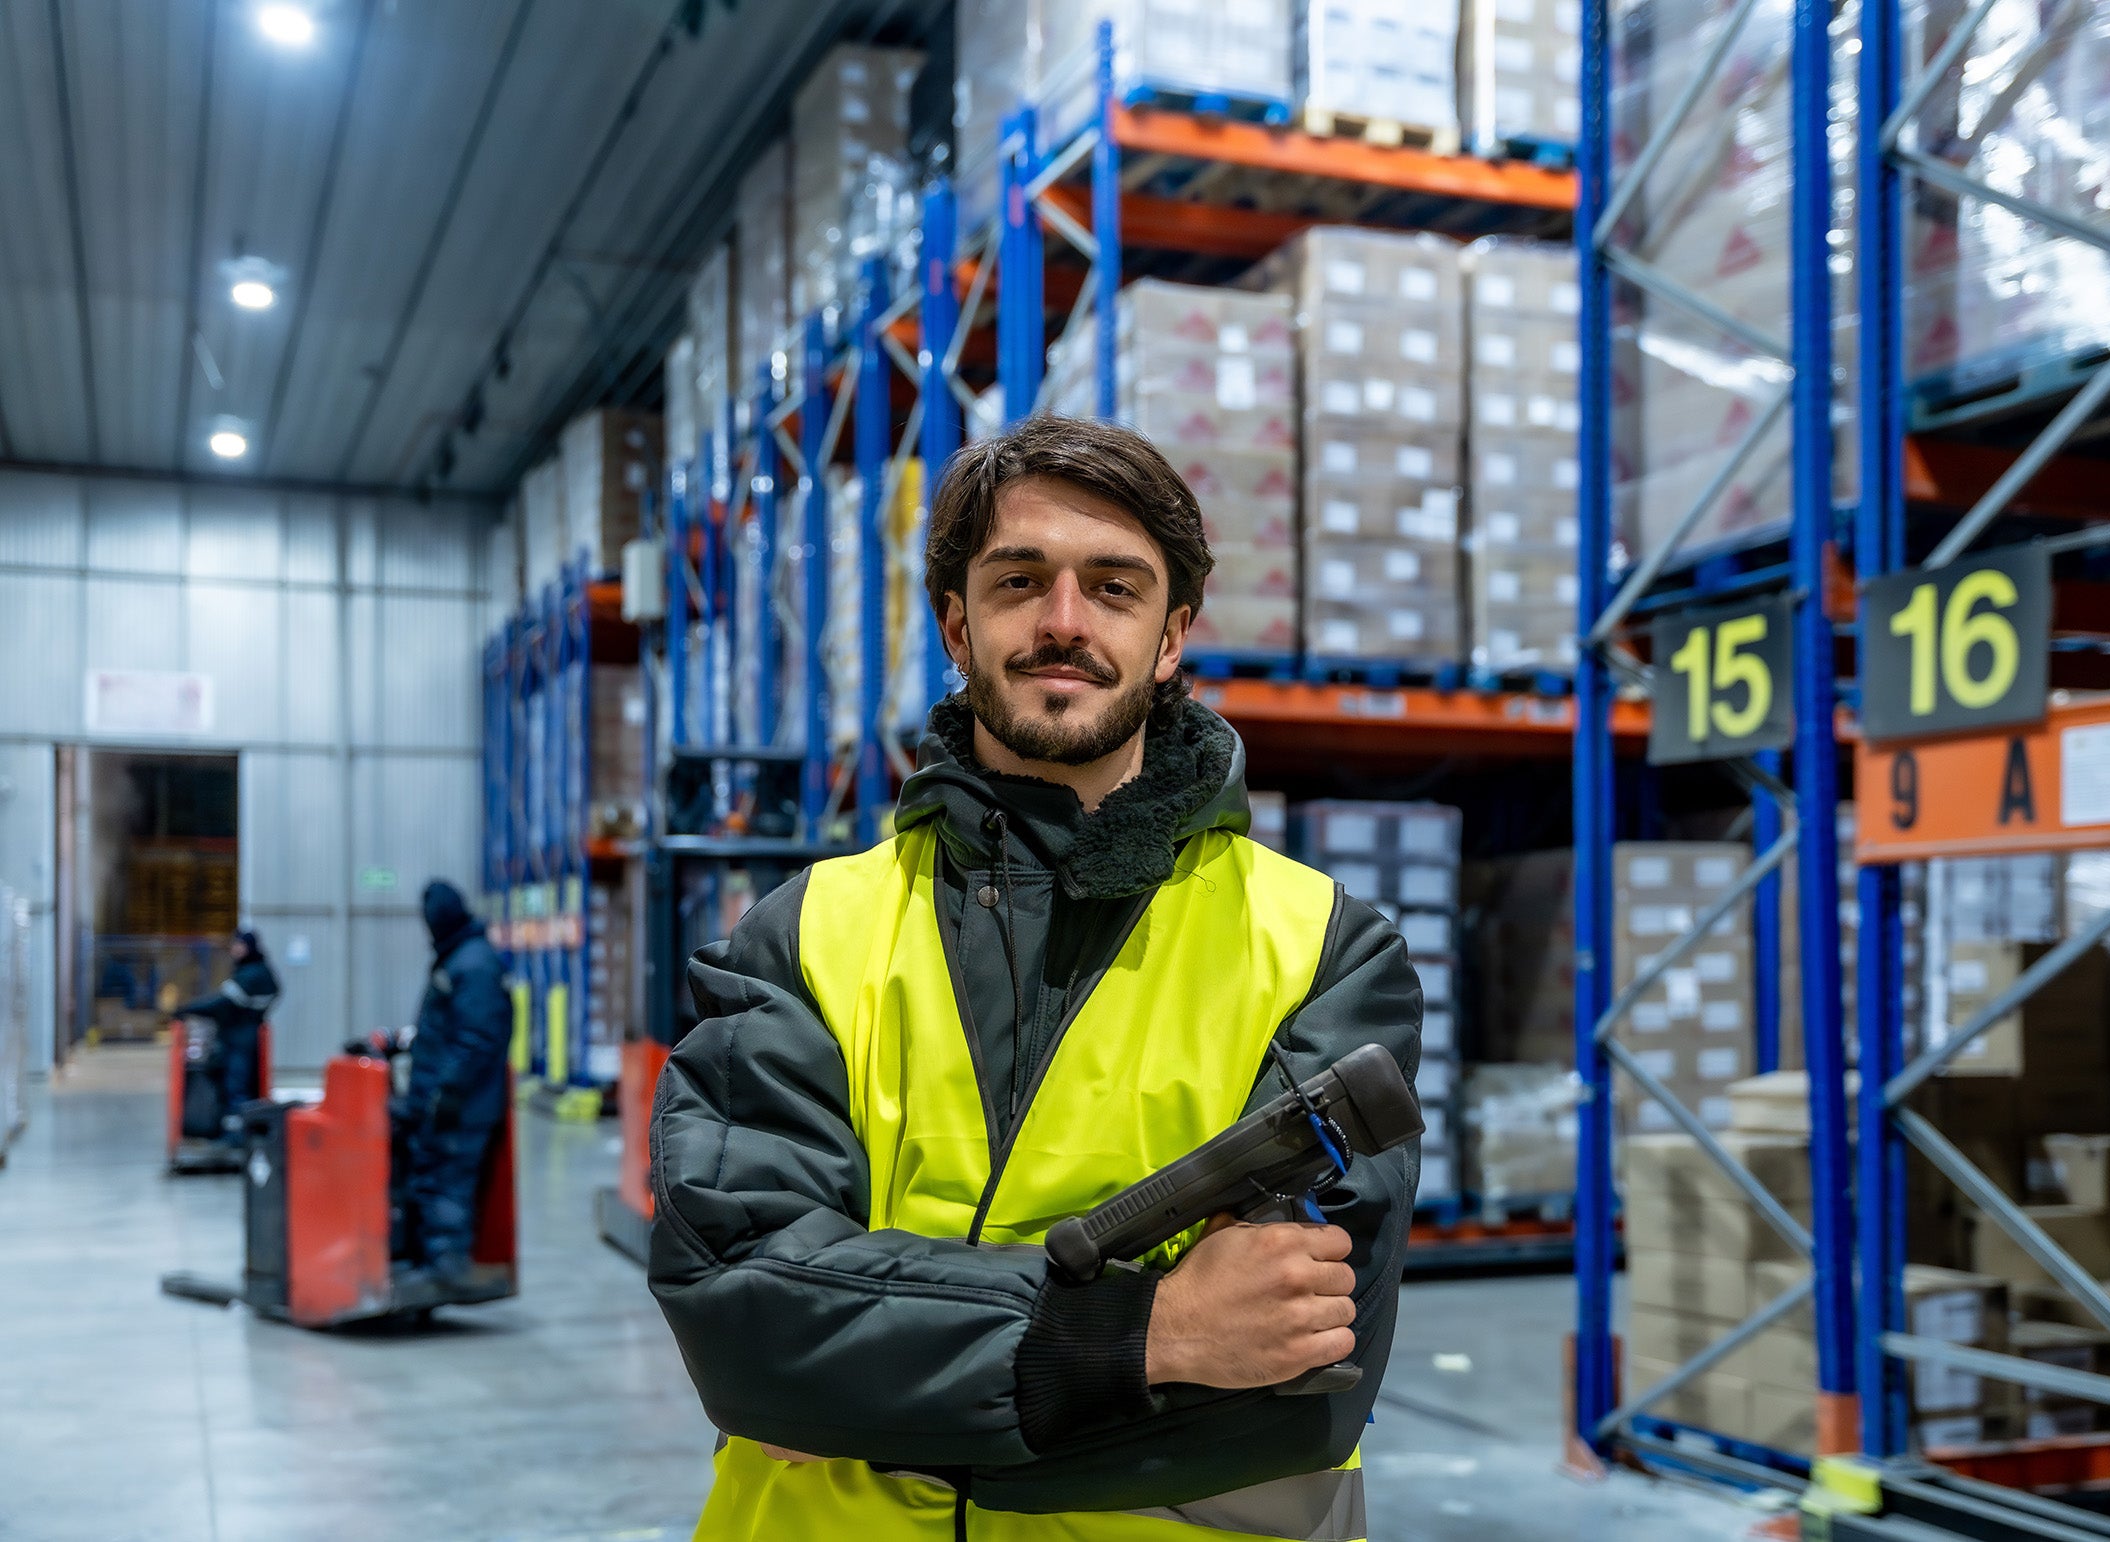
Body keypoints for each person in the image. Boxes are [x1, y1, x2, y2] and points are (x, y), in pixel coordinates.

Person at [651, 416, 1423, 1541]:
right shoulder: (802, 935)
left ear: (1171, 640)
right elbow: (743, 1322)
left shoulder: (1322, 950)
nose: (1065, 623)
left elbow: (1296, 1390)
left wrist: (864, 1395)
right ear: (958, 625)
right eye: (1022, 582)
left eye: (1115, 588)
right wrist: (1143, 1336)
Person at [395, 880, 514, 1297]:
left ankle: (446, 1267)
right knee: (431, 1177)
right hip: (448, 1100)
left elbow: (477, 1038)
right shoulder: (461, 958)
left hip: (462, 1106)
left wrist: (448, 1092)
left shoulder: (473, 964)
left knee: (447, 1181)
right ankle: (433, 1262)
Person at [179, 928, 279, 1144]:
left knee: (237, 1088)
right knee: (238, 1086)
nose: (234, 949)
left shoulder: (252, 974)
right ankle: (239, 1133)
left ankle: (236, 1136)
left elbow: (222, 1002)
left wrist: (187, 1009)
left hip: (240, 1041)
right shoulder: (253, 971)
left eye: (239, 945)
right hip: (239, 1038)